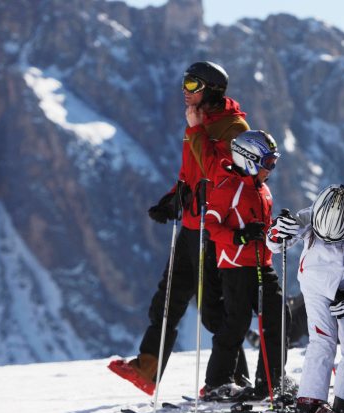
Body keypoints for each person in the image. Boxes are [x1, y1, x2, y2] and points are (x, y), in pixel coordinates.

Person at [108, 61, 251, 395]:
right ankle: (148, 368)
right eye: (185, 84)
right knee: (167, 299)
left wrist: (197, 131)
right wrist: (173, 198)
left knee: (213, 311)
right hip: (190, 223)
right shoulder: (200, 122)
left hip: (213, 228)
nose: (185, 91)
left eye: (192, 85)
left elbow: (219, 174)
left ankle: (234, 380)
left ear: (212, 89)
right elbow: (192, 175)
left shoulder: (234, 127)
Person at [267, 185, 344, 413]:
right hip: (316, 284)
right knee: (323, 340)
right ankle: (309, 404)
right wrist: (277, 232)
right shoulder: (311, 215)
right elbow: (276, 245)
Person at [202, 130, 291, 400]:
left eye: (273, 163)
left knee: (278, 318)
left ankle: (271, 381)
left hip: (262, 262)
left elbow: (262, 228)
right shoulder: (228, 187)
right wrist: (239, 236)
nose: (271, 169)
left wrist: (278, 230)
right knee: (237, 322)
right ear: (249, 159)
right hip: (235, 266)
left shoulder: (263, 190)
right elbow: (212, 225)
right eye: (268, 163)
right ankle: (217, 382)